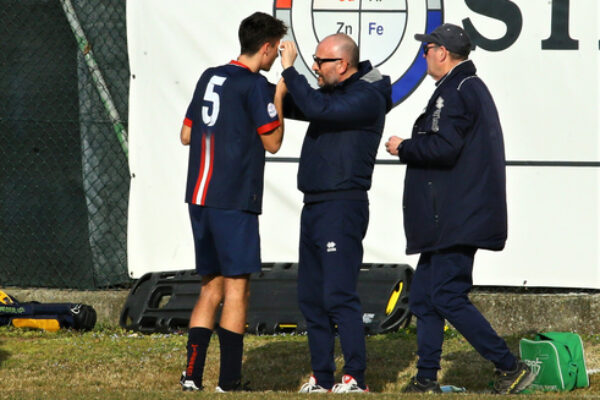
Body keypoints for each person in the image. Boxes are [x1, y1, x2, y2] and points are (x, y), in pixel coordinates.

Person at [385, 23, 536, 394]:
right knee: (424, 297)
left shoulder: (455, 91)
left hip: (453, 216)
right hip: (451, 215)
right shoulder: (463, 87)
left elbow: (444, 148)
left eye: (426, 50)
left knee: (446, 295)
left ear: (441, 52)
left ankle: (510, 365)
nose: (423, 57)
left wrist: (404, 146)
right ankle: (425, 378)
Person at [178, 11, 287, 393]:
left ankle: (191, 375)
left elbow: (186, 134)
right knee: (238, 287)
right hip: (233, 198)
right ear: (268, 47)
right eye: (276, 51)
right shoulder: (256, 86)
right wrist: (280, 94)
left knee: (211, 286)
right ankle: (229, 380)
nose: (275, 57)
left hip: (199, 196)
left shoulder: (211, 75)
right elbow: (273, 142)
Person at [278, 34, 392, 393]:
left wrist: (289, 71)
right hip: (315, 204)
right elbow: (302, 104)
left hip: (342, 205)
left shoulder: (367, 97)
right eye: (311, 60)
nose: (313, 67)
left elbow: (316, 108)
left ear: (342, 65)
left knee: (339, 294)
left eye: (319, 61)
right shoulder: (335, 94)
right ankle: (322, 376)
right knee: (311, 297)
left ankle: (354, 375)